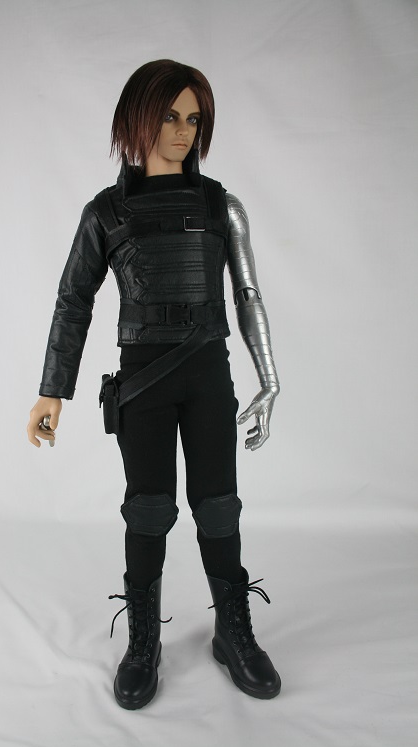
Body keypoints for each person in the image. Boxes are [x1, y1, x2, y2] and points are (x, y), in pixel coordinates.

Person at [27, 60, 281, 710]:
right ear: (137, 118)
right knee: (148, 509)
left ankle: (233, 632)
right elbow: (73, 299)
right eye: (170, 115)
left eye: (193, 118)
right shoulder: (106, 212)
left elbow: (247, 294)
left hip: (209, 376)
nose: (183, 130)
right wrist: (53, 389)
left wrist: (270, 379)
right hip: (143, 383)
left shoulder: (221, 206)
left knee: (218, 506)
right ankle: (144, 643)